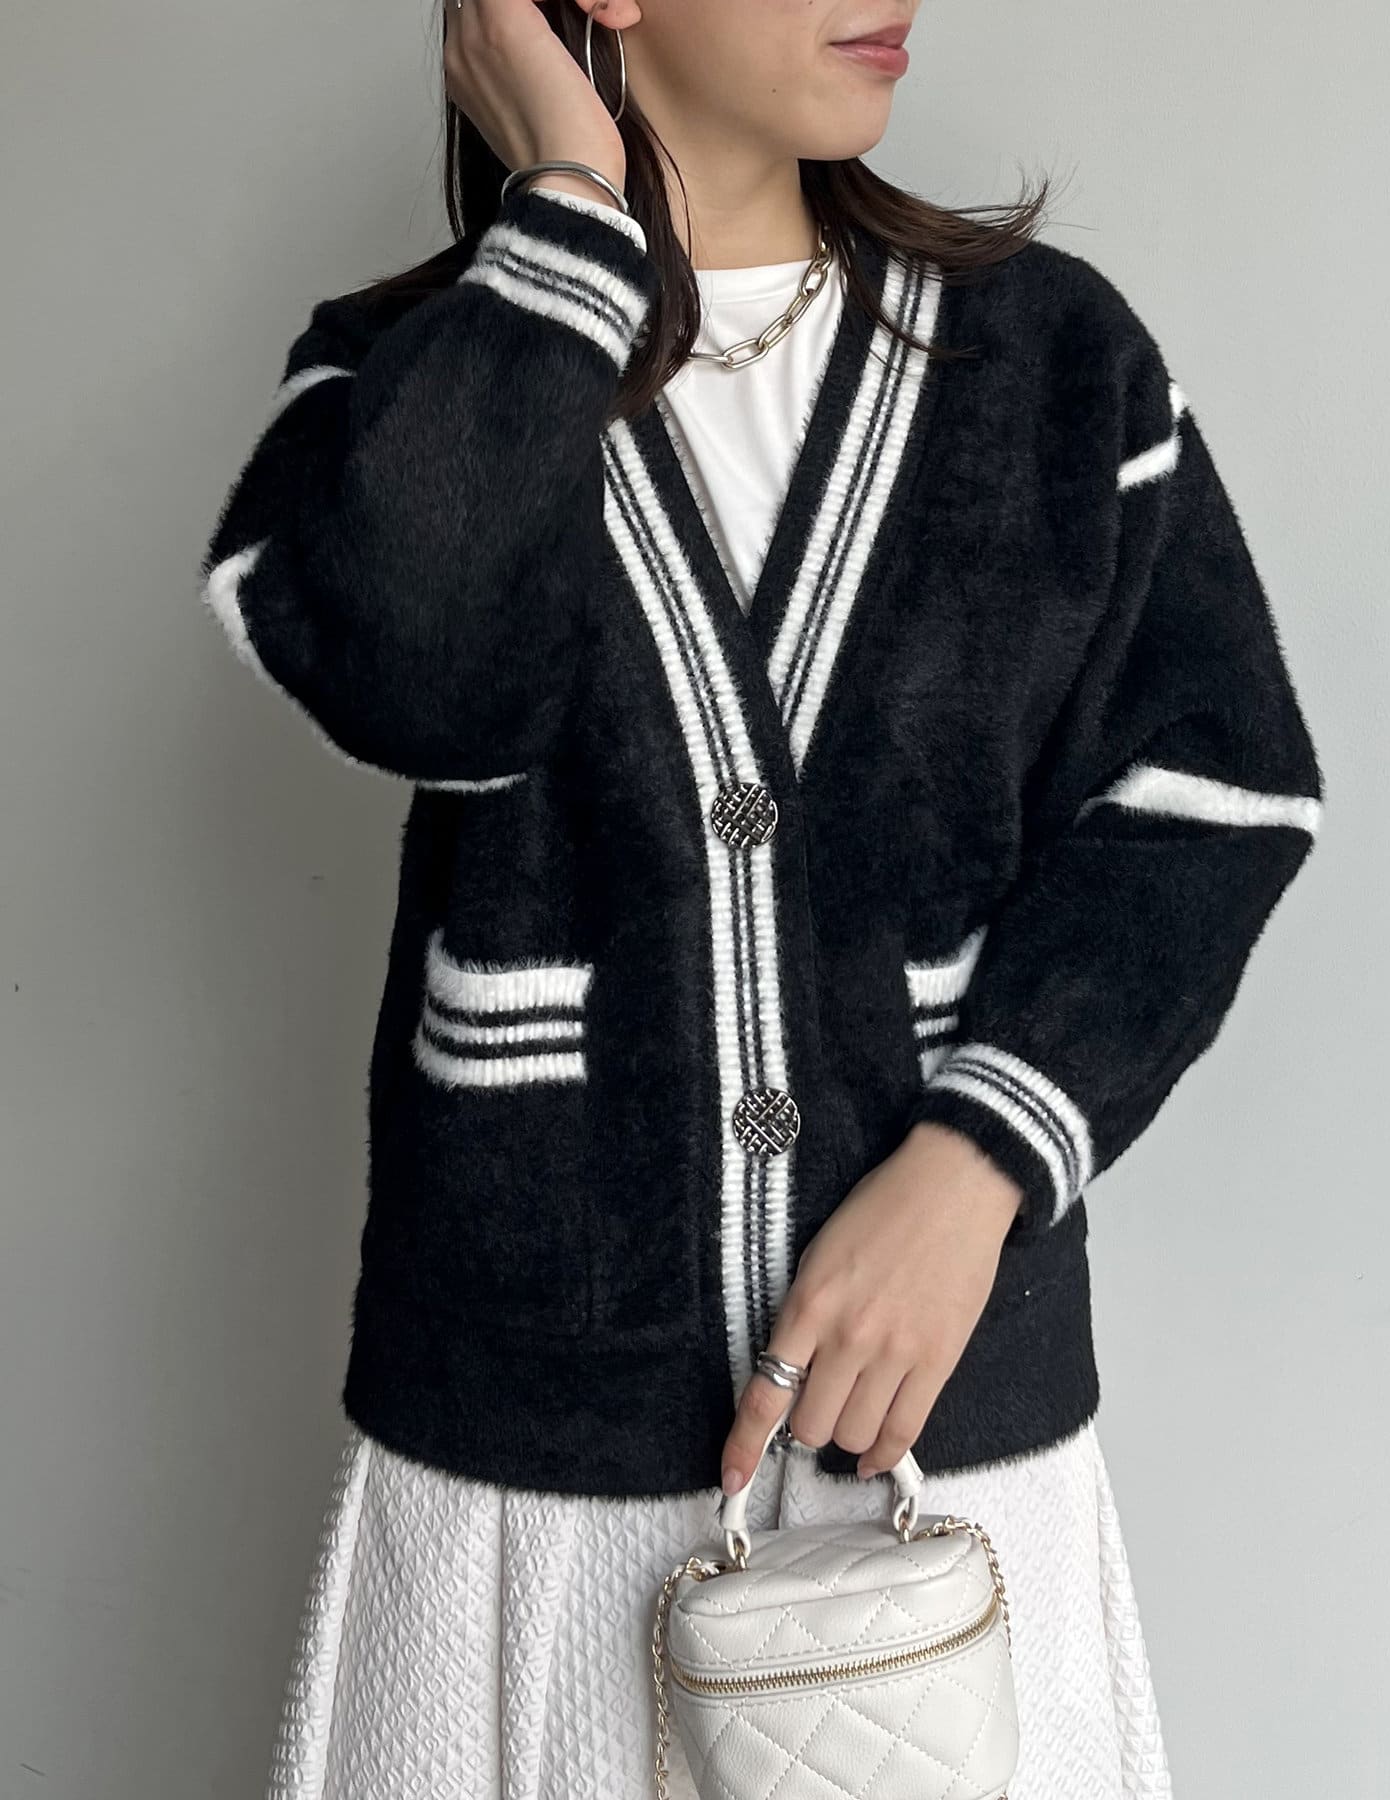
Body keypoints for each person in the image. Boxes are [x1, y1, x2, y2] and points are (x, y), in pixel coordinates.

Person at [197, 1, 1323, 1795]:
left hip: (945, 1466)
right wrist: (570, 215)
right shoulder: (416, 377)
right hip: (530, 1477)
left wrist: (981, 1163)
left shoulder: (1051, 363)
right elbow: (421, 677)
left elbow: (1213, 797)